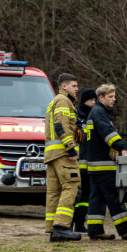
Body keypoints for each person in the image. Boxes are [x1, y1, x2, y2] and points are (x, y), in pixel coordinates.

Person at [84, 83, 127, 240]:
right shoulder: (99, 112)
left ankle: (95, 230)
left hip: (94, 164)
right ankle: (125, 229)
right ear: (101, 97)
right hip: (103, 164)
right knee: (114, 196)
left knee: (96, 198)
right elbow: (108, 133)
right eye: (110, 97)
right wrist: (122, 147)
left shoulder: (94, 112)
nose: (114, 99)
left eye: (115, 96)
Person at [44, 73, 82, 242]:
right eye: (74, 86)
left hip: (52, 154)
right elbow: (61, 125)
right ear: (64, 86)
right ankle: (62, 227)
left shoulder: (54, 101)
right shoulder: (63, 100)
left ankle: (53, 229)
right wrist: (71, 148)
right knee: (71, 186)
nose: (77, 89)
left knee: (54, 192)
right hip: (63, 153)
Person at [72, 88, 97, 234]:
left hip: (90, 160)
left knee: (86, 195)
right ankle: (70, 223)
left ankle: (80, 223)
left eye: (94, 100)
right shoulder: (78, 115)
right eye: (90, 100)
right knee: (78, 194)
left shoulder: (94, 115)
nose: (93, 103)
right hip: (78, 159)